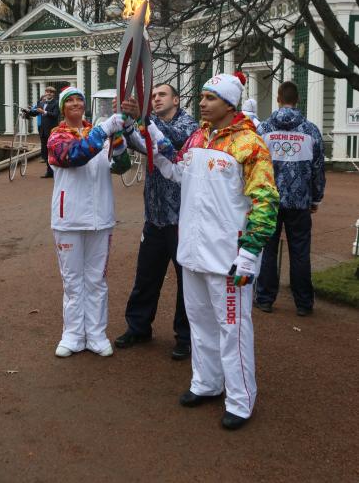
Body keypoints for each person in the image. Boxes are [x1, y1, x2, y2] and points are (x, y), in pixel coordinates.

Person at [149, 73, 279, 429]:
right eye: (202, 97)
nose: (202, 102)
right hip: (193, 250)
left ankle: (240, 399)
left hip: (228, 256)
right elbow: (178, 171)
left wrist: (250, 252)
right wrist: (147, 136)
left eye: (210, 97)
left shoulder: (249, 144)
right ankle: (206, 383)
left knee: (233, 327)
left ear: (228, 103)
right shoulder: (196, 138)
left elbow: (266, 201)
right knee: (200, 322)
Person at [114, 83, 198, 360]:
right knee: (146, 276)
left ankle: (185, 337)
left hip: (181, 219)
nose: (157, 99)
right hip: (154, 217)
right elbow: (141, 144)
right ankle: (138, 327)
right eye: (153, 96)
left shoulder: (189, 125)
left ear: (176, 99)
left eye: (162, 95)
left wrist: (144, 117)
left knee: (187, 281)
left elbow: (171, 141)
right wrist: (126, 123)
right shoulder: (148, 124)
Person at [47, 86, 130, 358]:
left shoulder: (101, 133)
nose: (74, 104)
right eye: (69, 101)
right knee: (72, 282)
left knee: (96, 280)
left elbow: (121, 167)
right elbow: (74, 156)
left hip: (100, 219)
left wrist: (118, 143)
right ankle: (72, 335)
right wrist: (105, 130)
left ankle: (95, 333)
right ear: (62, 108)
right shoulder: (56, 136)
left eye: (79, 100)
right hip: (68, 218)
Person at [255, 81, 326, 316]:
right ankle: (304, 303)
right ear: (298, 100)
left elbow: (254, 166)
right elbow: (318, 169)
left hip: (269, 199)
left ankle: (265, 298)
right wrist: (316, 198)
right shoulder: (311, 130)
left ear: (278, 98)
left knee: (268, 249)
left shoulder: (263, 129)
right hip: (299, 200)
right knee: (300, 251)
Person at [29, 87, 59, 177]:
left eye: (51, 92)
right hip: (42, 130)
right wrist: (28, 111)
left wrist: (44, 112)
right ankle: (49, 171)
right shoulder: (41, 103)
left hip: (51, 130)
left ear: (54, 94)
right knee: (45, 151)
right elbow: (35, 113)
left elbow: (55, 115)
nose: (48, 93)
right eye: (47, 92)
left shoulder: (56, 103)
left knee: (52, 151)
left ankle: (55, 171)